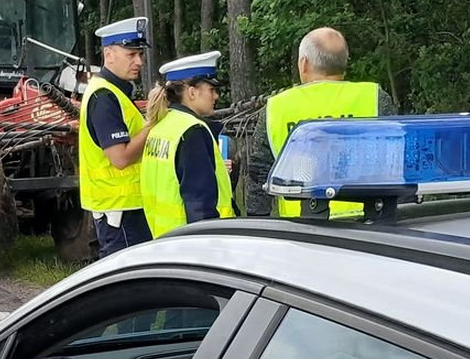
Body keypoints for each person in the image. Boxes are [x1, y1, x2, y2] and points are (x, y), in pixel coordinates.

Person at [246, 27, 400, 217]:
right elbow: (399, 164)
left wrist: (258, 225)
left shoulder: (276, 108)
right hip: (369, 226)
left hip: (303, 231)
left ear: (303, 64)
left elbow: (259, 176)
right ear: (343, 63)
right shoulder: (374, 98)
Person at [79, 17, 154, 257]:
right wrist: (152, 125)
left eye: (140, 54)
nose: (139, 61)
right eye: (131, 54)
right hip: (120, 213)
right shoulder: (104, 98)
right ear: (108, 54)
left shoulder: (115, 92)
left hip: (126, 209)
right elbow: (120, 158)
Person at [140, 52, 235, 237]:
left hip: (164, 240)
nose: (216, 96)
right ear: (192, 92)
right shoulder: (192, 131)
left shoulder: (160, 126)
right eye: (211, 89)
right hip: (193, 245)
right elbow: (200, 206)